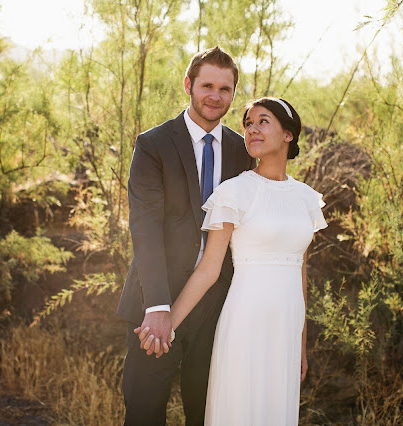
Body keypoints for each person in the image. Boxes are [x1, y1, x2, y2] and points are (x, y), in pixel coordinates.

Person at [137, 97, 327, 425]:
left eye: (262, 121)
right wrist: (168, 324)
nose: (251, 129)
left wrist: (301, 344)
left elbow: (301, 272)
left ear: (288, 134)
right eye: (248, 123)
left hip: (286, 326)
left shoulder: (307, 199)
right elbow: (208, 270)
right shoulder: (234, 192)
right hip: (245, 321)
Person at [116, 46, 256, 425]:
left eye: (225, 89)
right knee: (144, 412)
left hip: (217, 308)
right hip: (157, 303)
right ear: (188, 85)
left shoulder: (242, 151)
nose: (215, 96)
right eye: (207, 85)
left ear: (233, 94)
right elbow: (144, 228)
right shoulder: (153, 145)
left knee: (208, 414)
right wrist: (158, 307)